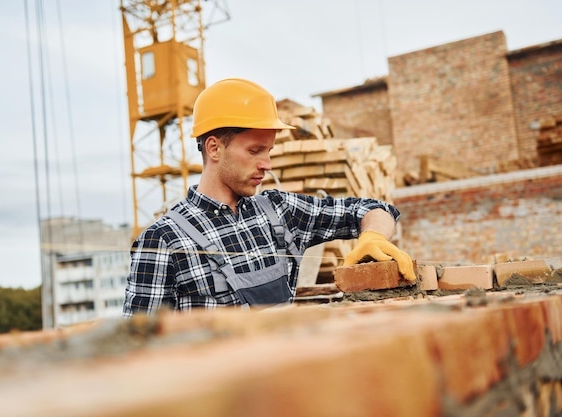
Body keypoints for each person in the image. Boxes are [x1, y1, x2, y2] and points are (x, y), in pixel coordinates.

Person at [122, 78, 416, 316]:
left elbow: (374, 208)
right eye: (254, 151)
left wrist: (374, 237)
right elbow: (137, 353)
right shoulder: (163, 241)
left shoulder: (279, 212)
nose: (267, 164)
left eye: (269, 151)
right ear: (214, 148)